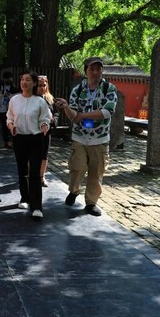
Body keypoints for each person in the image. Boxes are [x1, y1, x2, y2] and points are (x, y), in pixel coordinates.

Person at [55, 57, 117, 217]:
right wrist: (67, 107)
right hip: (80, 138)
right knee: (78, 168)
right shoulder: (78, 89)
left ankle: (91, 202)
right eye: (92, 69)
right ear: (86, 71)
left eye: (99, 69)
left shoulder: (109, 89)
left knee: (96, 174)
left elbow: (107, 112)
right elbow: (73, 116)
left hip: (100, 139)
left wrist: (82, 116)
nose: (95, 72)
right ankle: (74, 191)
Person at [6, 71, 51, 219]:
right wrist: (11, 125)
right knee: (22, 170)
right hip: (19, 138)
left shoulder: (40, 102)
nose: (24, 82)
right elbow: (10, 117)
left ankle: (37, 206)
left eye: (27, 80)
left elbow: (45, 118)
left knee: (35, 173)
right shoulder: (14, 100)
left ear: (34, 83)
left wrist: (44, 125)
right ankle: (24, 198)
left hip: (35, 138)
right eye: (22, 79)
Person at [36, 75, 58, 187]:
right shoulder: (31, 98)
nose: (42, 88)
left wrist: (54, 120)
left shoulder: (50, 99)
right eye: (40, 85)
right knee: (33, 154)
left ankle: (42, 176)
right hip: (34, 131)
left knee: (44, 154)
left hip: (47, 131)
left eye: (44, 85)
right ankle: (32, 175)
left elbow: (56, 113)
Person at [0, 71, 19, 148]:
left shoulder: (12, 86)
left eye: (10, 79)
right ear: (4, 78)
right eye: (8, 79)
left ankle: (6, 142)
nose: (9, 80)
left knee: (6, 127)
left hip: (6, 110)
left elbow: (15, 93)